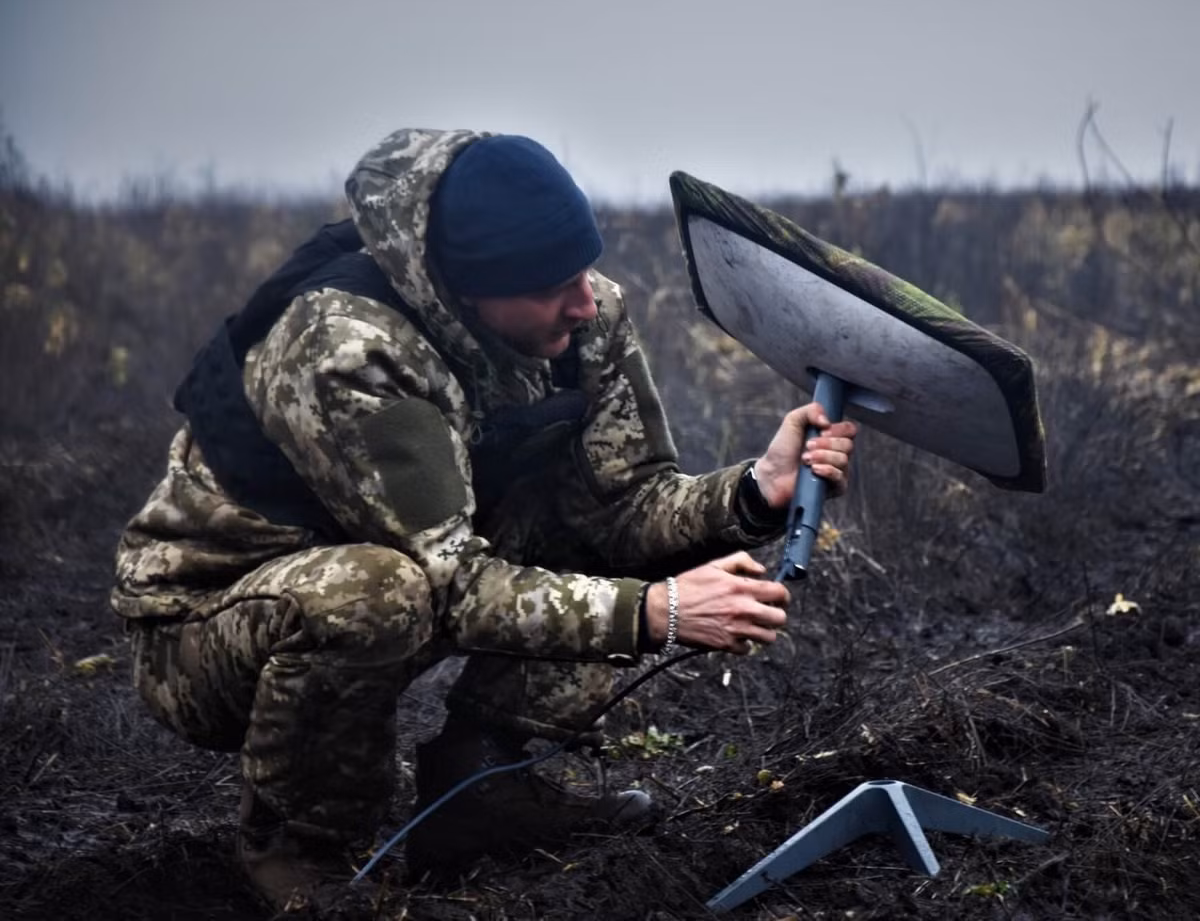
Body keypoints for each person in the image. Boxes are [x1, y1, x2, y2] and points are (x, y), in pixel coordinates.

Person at [110, 128, 857, 912]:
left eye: (582, 270)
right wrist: (656, 613)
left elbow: (627, 504)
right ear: (467, 286)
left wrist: (755, 490)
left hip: (410, 573)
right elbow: (450, 581)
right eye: (548, 284)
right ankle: (300, 848)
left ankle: (478, 784)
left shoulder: (586, 317)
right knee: (376, 590)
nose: (583, 300)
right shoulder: (349, 346)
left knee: (583, 524)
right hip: (206, 630)